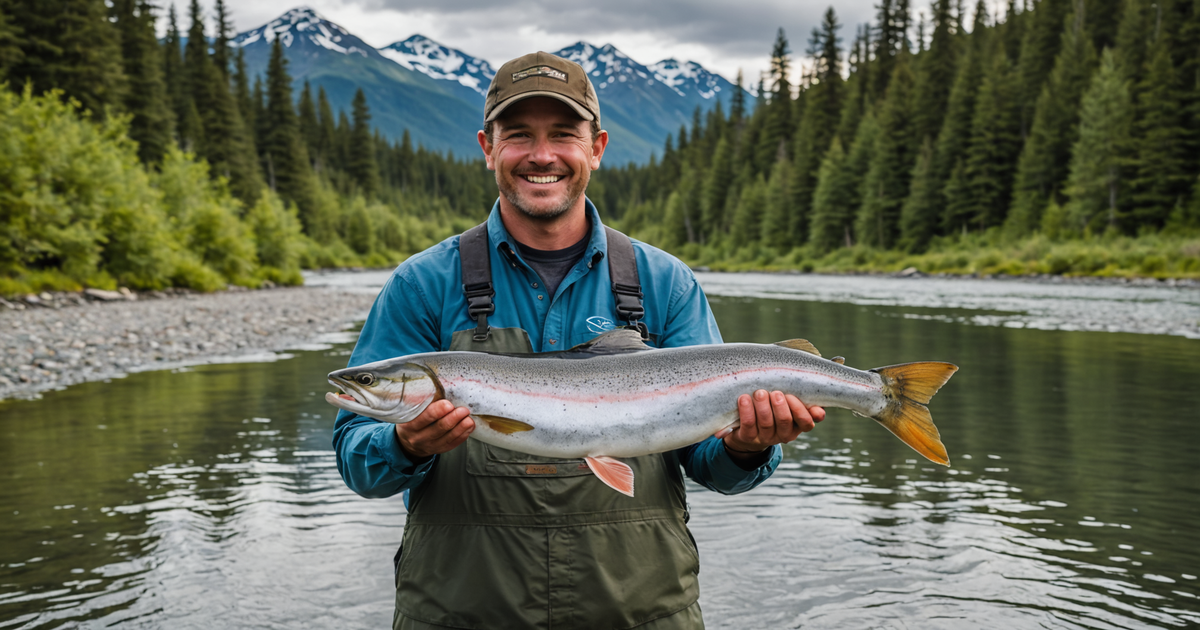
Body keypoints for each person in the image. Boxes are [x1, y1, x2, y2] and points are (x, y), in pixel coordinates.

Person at [332, 51, 825, 630]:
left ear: (596, 147)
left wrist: (749, 445)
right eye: (518, 136)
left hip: (641, 612)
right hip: (460, 614)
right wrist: (406, 447)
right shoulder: (423, 283)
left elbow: (713, 467)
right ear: (489, 148)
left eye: (563, 134)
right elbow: (358, 463)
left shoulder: (664, 282)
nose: (542, 155)